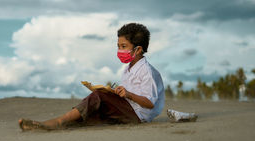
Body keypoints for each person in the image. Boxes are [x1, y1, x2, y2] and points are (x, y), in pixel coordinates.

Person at [18, 23, 165, 131]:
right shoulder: (128, 69)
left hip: (137, 115)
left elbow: (149, 103)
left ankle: (58, 121)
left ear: (138, 49)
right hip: (127, 109)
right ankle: (49, 125)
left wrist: (128, 94)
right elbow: (125, 95)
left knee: (99, 96)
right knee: (92, 111)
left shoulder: (147, 71)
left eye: (124, 46)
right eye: (118, 46)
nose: (119, 50)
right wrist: (114, 92)